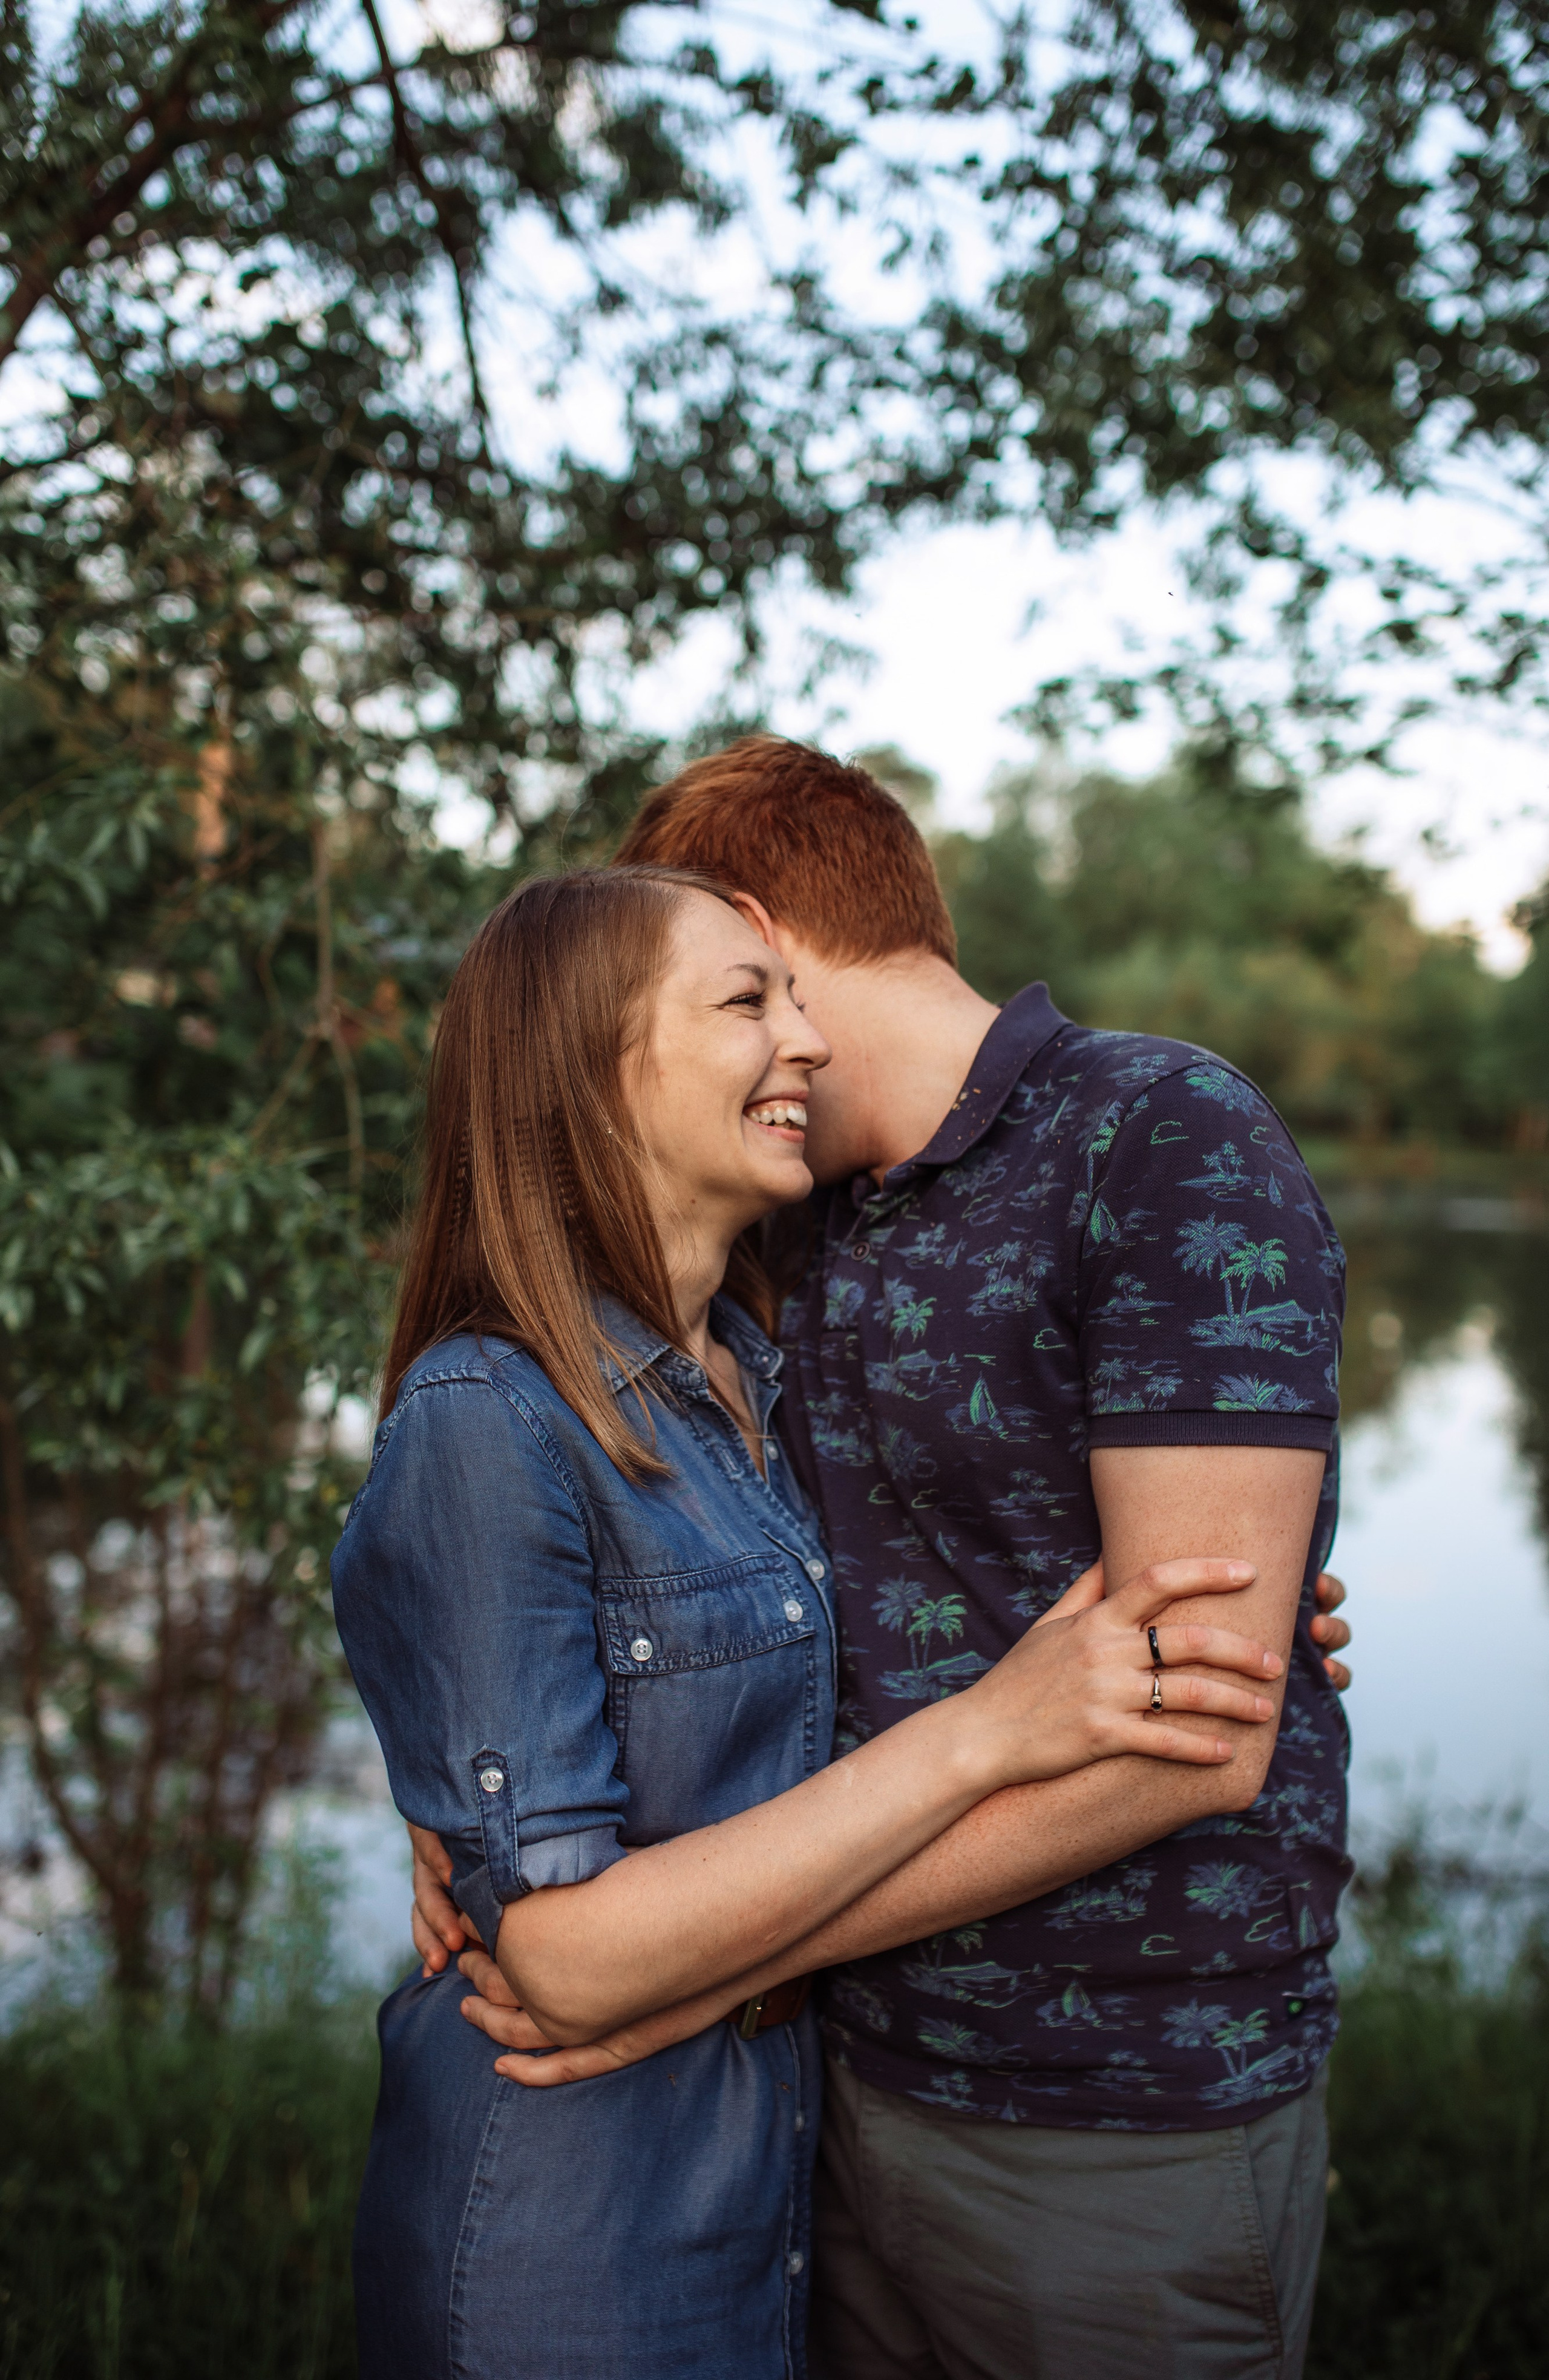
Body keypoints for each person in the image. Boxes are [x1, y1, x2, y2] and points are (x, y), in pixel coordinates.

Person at [425, 742, 1355, 2380]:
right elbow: (573, 1541)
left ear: (758, 932)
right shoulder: (778, 1217)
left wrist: (664, 1980)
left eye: (714, 977)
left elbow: (1205, 1738)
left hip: (1109, 2118)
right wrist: (481, 1812)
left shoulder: (1157, 1136)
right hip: (816, 2110)